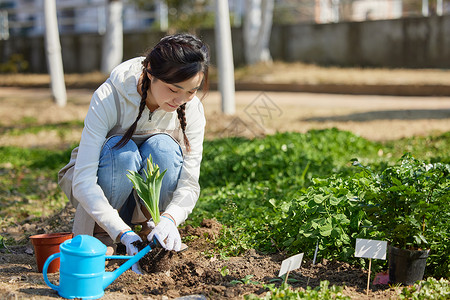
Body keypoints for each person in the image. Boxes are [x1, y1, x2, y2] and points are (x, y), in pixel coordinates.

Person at [60, 33, 209, 273]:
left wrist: (170, 219)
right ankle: (103, 232)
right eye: (173, 89)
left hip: (147, 198)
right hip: (108, 178)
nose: (181, 100)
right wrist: (121, 231)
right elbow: (83, 181)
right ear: (150, 73)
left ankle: (153, 229)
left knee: (164, 148)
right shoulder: (110, 97)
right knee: (122, 151)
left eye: (191, 91)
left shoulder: (191, 109)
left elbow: (189, 183)